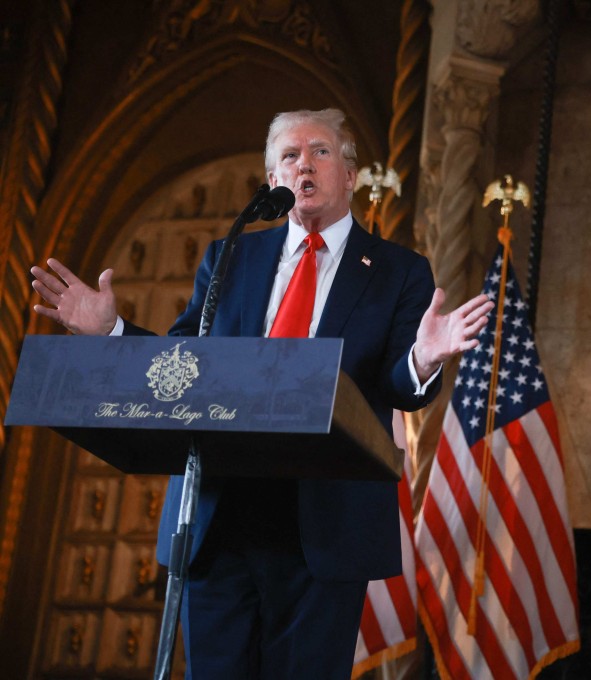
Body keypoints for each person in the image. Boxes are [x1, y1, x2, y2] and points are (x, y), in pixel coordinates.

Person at [30, 108, 494, 679]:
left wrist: (422, 357)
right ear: (273, 181)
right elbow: (183, 366)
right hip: (219, 516)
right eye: (289, 156)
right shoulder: (231, 256)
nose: (304, 164)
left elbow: (398, 384)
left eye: (320, 151)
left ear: (349, 174)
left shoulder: (399, 271)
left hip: (323, 525)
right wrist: (112, 332)